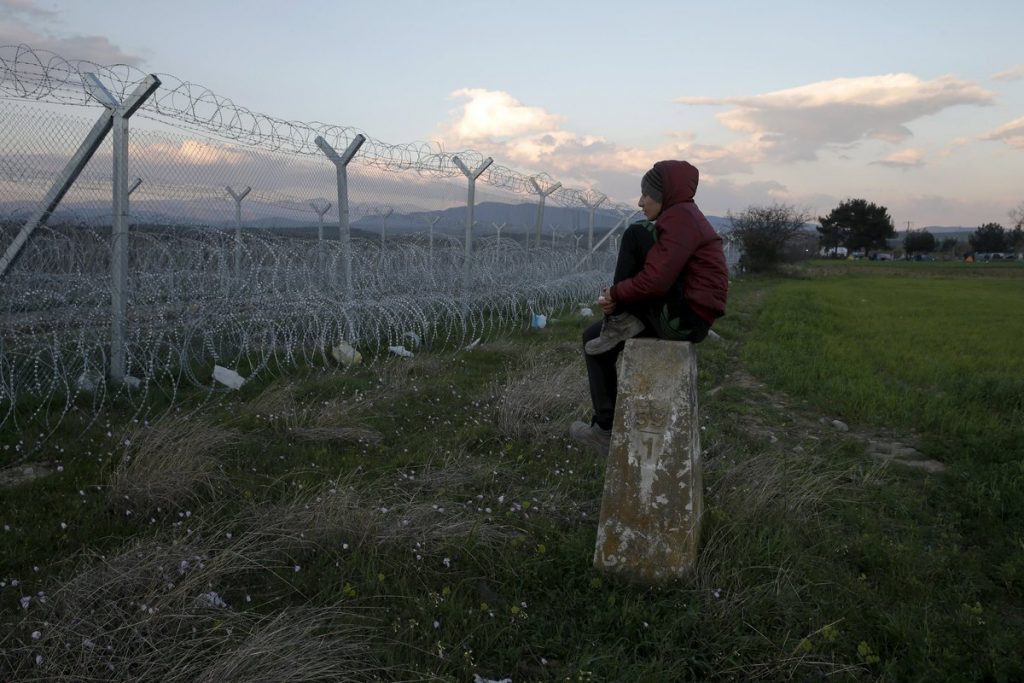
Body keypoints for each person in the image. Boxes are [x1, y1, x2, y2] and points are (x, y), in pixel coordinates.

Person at [569, 160, 729, 454]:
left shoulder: (680, 218)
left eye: (647, 195)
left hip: (686, 317)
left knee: (635, 233)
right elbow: (660, 275)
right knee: (594, 339)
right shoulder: (682, 217)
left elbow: (656, 282)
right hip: (686, 314)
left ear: (664, 195)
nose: (641, 201)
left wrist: (616, 294)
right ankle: (605, 429)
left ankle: (619, 319)